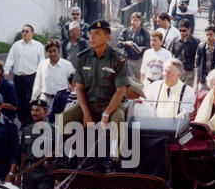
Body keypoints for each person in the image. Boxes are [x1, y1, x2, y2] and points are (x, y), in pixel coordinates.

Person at [59, 20, 129, 172]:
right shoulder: (83, 57)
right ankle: (63, 160)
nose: (92, 37)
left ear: (107, 37)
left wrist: (106, 114)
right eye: (90, 34)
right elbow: (79, 88)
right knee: (63, 118)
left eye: (97, 34)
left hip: (112, 104)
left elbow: (121, 90)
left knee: (118, 120)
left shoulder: (118, 59)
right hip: (89, 103)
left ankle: (112, 161)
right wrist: (86, 113)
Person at [17, 100, 55, 189]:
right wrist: (19, 175)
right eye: (32, 110)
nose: (34, 113)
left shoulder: (54, 130)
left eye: (37, 110)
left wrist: (58, 175)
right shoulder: (26, 130)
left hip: (46, 172)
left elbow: (59, 153)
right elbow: (23, 153)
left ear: (46, 112)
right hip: (29, 171)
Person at [4, 24, 45, 128]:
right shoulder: (16, 46)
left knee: (32, 99)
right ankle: (23, 121)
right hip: (19, 77)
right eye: (23, 31)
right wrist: (6, 71)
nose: (24, 33)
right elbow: (10, 59)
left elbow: (42, 62)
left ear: (32, 33)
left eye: (27, 31)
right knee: (20, 100)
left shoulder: (39, 46)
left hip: (33, 76)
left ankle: (32, 120)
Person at [32, 40, 75, 121]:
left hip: (61, 100)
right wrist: (34, 98)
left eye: (54, 51)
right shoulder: (42, 65)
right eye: (49, 51)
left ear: (59, 51)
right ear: (46, 53)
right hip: (46, 99)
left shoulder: (67, 65)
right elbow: (38, 83)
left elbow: (74, 81)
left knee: (60, 124)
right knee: (46, 124)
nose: (52, 54)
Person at [117, 12, 151, 80]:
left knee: (140, 79)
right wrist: (126, 43)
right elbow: (118, 44)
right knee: (129, 80)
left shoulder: (145, 32)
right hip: (128, 59)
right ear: (131, 20)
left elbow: (149, 46)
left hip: (139, 60)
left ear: (140, 21)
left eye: (137, 20)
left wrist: (141, 48)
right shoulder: (125, 31)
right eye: (133, 20)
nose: (135, 22)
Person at [168, 19, 200, 87]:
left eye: (184, 30)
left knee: (186, 92)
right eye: (180, 30)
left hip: (189, 72)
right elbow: (170, 54)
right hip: (177, 71)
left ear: (189, 29)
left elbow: (199, 59)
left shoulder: (196, 42)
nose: (182, 32)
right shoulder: (175, 40)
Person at [196, 25, 215, 90]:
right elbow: (198, 65)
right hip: (203, 79)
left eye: (211, 34)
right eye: (207, 35)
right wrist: (197, 83)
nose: (208, 37)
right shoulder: (201, 46)